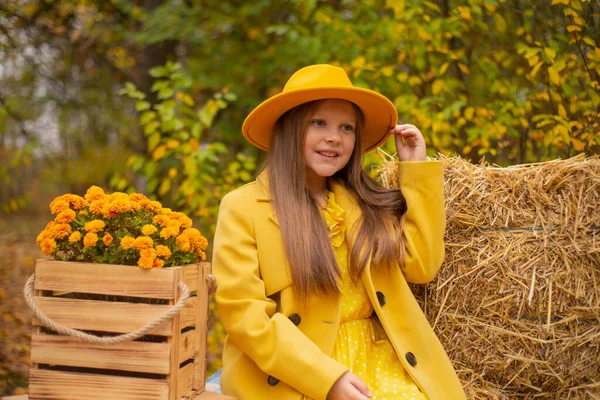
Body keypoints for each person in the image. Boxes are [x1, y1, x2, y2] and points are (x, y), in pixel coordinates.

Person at [212, 64, 466, 400]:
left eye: (347, 127)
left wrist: (415, 171)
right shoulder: (244, 207)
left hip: (376, 360)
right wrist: (328, 381)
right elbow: (246, 317)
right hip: (297, 370)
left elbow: (422, 265)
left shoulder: (364, 204)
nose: (334, 137)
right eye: (319, 123)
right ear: (290, 128)